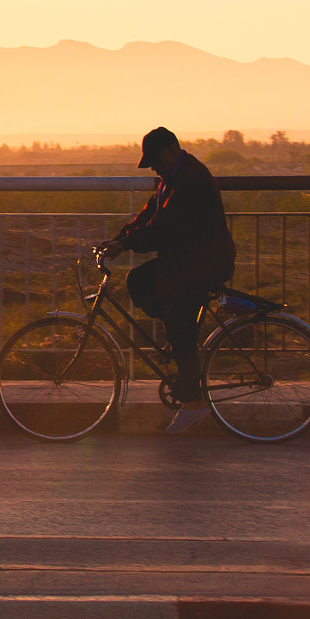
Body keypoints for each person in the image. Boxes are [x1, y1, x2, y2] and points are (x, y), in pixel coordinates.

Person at [100, 126, 237, 434]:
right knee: (139, 282)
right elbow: (150, 215)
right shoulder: (172, 179)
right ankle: (179, 333)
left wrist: (126, 244)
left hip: (203, 264)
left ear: (172, 151)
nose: (154, 168)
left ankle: (193, 403)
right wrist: (121, 238)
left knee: (178, 325)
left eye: (156, 161)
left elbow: (166, 227)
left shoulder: (190, 179)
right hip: (186, 261)